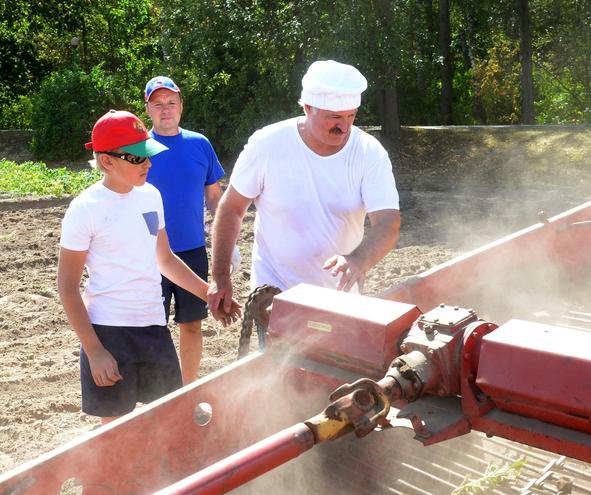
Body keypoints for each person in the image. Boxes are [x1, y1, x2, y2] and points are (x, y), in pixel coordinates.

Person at [57, 109, 240, 424]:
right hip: (108, 332)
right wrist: (94, 350)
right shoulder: (85, 209)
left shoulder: (151, 196)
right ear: (107, 161)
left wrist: (208, 292)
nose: (148, 164)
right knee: (114, 431)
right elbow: (67, 286)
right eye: (138, 158)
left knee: (168, 421)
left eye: (148, 155)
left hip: (153, 327)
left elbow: (164, 258)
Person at [208, 60, 401, 322]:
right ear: (308, 107)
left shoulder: (369, 153)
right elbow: (231, 208)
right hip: (275, 293)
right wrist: (220, 278)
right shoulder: (267, 145)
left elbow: (388, 222)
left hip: (341, 297)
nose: (343, 127)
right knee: (281, 361)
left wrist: (358, 260)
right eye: (334, 117)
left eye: (351, 116)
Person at [144, 76, 226, 384]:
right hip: (150, 254)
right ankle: (157, 395)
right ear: (148, 108)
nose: (165, 110)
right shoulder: (139, 148)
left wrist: (226, 245)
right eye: (158, 104)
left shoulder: (199, 144)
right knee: (153, 328)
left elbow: (215, 197)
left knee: (192, 324)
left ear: (181, 106)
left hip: (192, 250)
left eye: (171, 103)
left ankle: (188, 388)